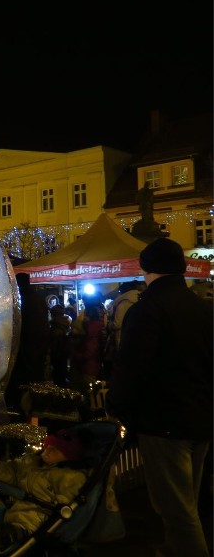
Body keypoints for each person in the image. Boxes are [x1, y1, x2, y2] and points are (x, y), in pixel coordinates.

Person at [106, 237, 213, 557]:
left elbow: (133, 366)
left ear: (147, 268)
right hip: (202, 418)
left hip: (165, 421)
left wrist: (116, 405)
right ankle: (172, 549)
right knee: (187, 501)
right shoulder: (203, 308)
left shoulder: (148, 309)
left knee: (177, 510)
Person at [4, 273, 50, 409]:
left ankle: (23, 411)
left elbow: (17, 325)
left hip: (24, 348)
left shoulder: (21, 299)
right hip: (37, 347)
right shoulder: (38, 299)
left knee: (22, 385)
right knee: (34, 382)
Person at [67, 296, 107, 387]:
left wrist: (76, 354)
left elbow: (88, 350)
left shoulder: (88, 329)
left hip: (86, 365)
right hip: (93, 364)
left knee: (86, 388)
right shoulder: (98, 327)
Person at [47, 304, 72, 386]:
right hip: (64, 357)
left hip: (57, 358)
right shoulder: (65, 326)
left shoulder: (55, 328)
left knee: (58, 379)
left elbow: (54, 347)